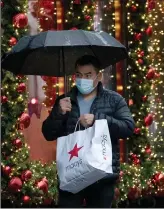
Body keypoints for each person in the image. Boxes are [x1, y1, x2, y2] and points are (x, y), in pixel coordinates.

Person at [42, 55, 135, 208]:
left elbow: (128, 127)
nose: (82, 79)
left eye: (88, 75)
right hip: (71, 173)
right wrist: (58, 113)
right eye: (78, 75)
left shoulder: (114, 100)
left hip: (102, 176)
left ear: (98, 76)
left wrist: (97, 120)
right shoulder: (65, 101)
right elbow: (48, 133)